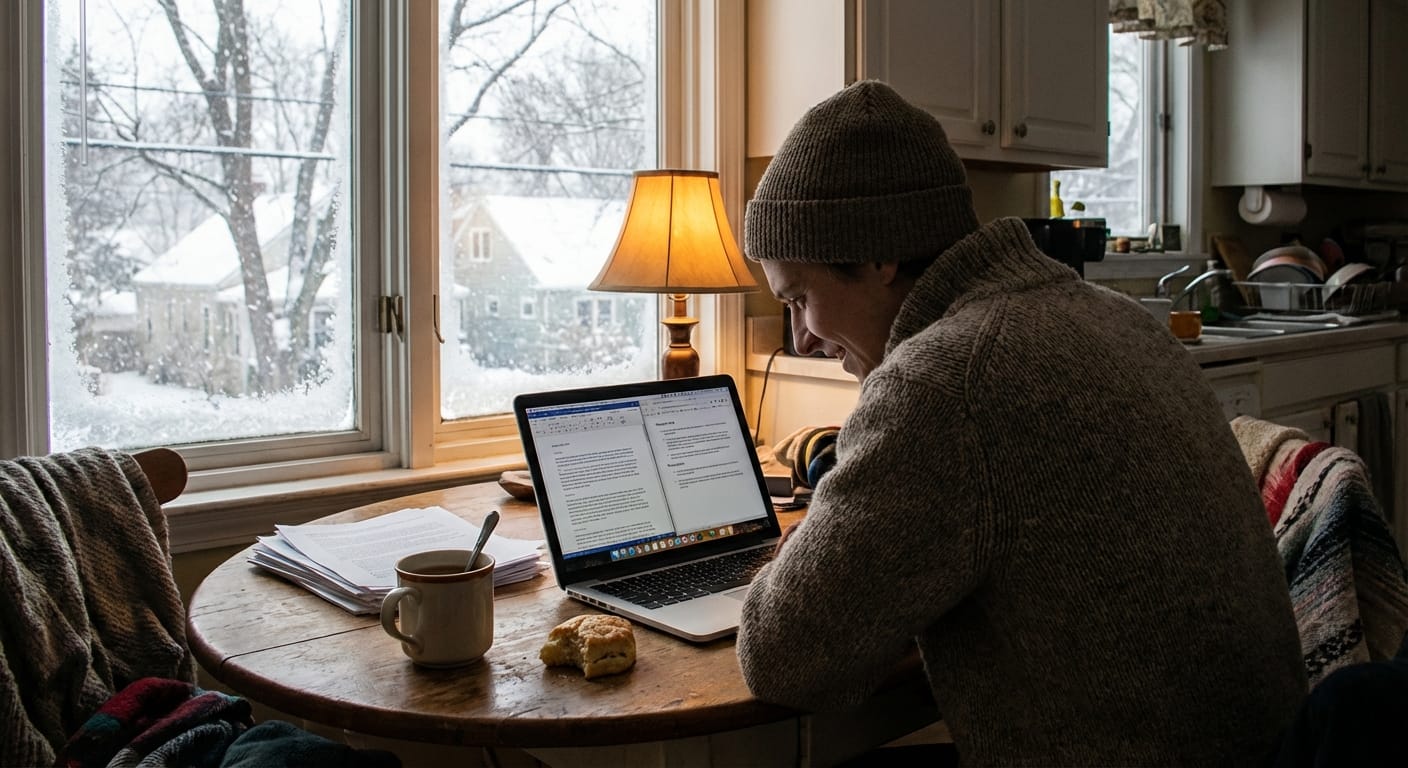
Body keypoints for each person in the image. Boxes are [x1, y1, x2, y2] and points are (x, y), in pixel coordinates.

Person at [735, 80, 1308, 766]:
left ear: (878, 255)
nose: (799, 339)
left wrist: (785, 555)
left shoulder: (942, 381)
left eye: (798, 299)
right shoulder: (1111, 317)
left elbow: (785, 657)